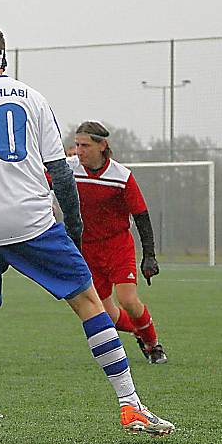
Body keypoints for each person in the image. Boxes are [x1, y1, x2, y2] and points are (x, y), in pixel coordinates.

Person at [0, 25, 175, 442]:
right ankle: (130, 406)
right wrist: (74, 225)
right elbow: (62, 173)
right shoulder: (31, 97)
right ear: (4, 59)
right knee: (87, 302)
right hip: (30, 220)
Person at [71, 121, 167, 363]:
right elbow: (39, 181)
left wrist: (149, 255)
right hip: (88, 249)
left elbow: (141, 216)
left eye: (85, 145)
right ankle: (139, 331)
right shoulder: (69, 169)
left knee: (128, 300)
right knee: (105, 313)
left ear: (102, 145)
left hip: (117, 245)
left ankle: (154, 345)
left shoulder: (121, 176)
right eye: (76, 145)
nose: (79, 150)